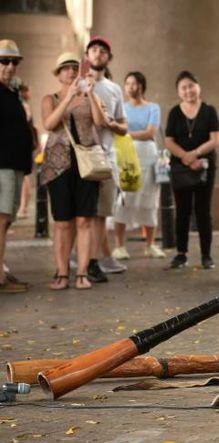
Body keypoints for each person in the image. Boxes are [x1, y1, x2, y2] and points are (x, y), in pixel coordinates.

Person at [40, 52, 106, 290]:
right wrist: (68, 98)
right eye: (65, 68)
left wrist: (90, 93)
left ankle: (82, 273)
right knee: (62, 223)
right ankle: (61, 272)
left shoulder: (90, 95)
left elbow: (100, 122)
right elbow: (49, 124)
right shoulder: (51, 98)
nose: (70, 72)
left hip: (87, 165)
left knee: (84, 221)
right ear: (58, 74)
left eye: (73, 68)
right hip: (58, 167)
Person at [165, 70, 219, 269]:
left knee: (203, 211)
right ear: (179, 92)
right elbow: (168, 141)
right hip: (181, 168)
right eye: (183, 88)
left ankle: (206, 255)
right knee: (182, 211)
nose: (188, 90)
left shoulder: (209, 111)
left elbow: (215, 139)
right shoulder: (174, 112)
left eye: (191, 86)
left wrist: (195, 154)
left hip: (205, 168)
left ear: (198, 87)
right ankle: (181, 254)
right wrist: (186, 158)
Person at [84, 36, 128, 283]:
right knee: (83, 214)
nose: (98, 54)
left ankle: (94, 262)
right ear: (87, 55)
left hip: (107, 158)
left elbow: (123, 125)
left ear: (109, 58)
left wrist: (112, 123)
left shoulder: (114, 89)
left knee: (101, 213)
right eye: (94, 50)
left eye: (103, 51)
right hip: (83, 157)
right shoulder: (79, 84)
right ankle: (82, 259)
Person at [112, 71, 165, 260]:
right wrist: (126, 134)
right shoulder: (122, 108)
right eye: (127, 84)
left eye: (133, 84)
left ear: (142, 86)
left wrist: (125, 133)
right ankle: (119, 245)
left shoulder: (153, 108)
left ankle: (150, 244)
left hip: (148, 155)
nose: (130, 87)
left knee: (150, 200)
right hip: (126, 154)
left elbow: (150, 132)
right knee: (124, 198)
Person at [0, 39, 33, 293]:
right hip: (3, 166)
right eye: (4, 61)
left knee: (5, 221)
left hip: (14, 165)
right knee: (1, 220)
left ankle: (1, 268)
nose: (10, 66)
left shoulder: (11, 93)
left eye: (14, 62)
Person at [17, 81, 38, 219]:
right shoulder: (23, 105)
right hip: (22, 145)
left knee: (25, 177)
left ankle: (23, 207)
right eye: (28, 90)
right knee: (25, 177)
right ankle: (23, 207)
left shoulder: (23, 106)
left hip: (23, 145)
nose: (30, 93)